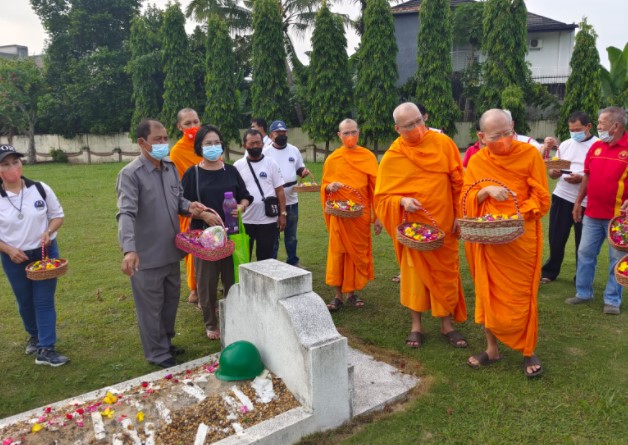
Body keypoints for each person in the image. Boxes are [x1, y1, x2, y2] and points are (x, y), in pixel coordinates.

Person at [463, 109, 550, 378]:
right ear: (481, 136)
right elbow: (465, 199)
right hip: (489, 239)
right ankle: (491, 349)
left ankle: (527, 350)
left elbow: (542, 197)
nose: (504, 140)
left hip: (521, 236)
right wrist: (485, 191)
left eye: (508, 133)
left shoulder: (529, 154)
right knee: (488, 292)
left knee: (523, 295)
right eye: (496, 136)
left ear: (513, 127)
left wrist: (517, 213)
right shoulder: (477, 162)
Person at [374, 102, 467, 350]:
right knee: (414, 277)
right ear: (397, 128)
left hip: (443, 224)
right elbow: (381, 198)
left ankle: (446, 323)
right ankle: (416, 325)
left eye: (419, 121)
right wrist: (401, 201)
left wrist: (460, 213)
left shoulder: (443, 144)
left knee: (445, 274)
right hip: (413, 229)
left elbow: (459, 182)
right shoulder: (393, 156)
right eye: (409, 125)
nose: (417, 128)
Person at [116, 119, 207, 368]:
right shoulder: (131, 174)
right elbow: (126, 213)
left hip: (171, 250)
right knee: (150, 308)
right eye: (157, 139)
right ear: (142, 143)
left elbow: (178, 199)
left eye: (165, 138)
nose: (163, 143)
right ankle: (157, 353)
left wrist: (191, 206)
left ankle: (165, 343)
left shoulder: (169, 167)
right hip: (146, 255)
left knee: (169, 304)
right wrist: (129, 249)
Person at [181, 125, 252, 340]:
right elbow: (182, 203)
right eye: (208, 143)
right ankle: (211, 322)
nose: (213, 147)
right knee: (207, 281)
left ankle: (233, 314)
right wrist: (202, 215)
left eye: (216, 143)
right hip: (204, 237)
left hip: (231, 234)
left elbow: (246, 195)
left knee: (232, 278)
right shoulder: (192, 174)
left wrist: (241, 206)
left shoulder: (230, 170)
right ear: (199, 147)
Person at [0, 145, 69, 367]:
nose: (13, 167)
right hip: (14, 258)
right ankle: (34, 336)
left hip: (44, 254)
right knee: (25, 301)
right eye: (5, 164)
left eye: (15, 161)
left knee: (43, 300)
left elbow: (58, 216)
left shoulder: (39, 188)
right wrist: (9, 249)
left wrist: (48, 232)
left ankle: (46, 348)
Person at [566, 107, 628, 315]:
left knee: (616, 259)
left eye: (601, 123)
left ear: (616, 125)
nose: (598, 126)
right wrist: (578, 202)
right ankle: (583, 293)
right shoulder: (596, 148)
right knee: (585, 253)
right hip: (592, 213)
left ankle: (612, 300)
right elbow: (587, 177)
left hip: (620, 218)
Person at [321, 119, 383, 311]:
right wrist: (329, 187)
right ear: (339, 135)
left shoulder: (368, 157)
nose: (350, 136)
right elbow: (325, 186)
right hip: (339, 217)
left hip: (360, 216)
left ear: (359, 132)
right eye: (345, 133)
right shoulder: (333, 159)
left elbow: (376, 189)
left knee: (356, 254)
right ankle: (338, 295)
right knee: (338, 254)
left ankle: (352, 293)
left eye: (353, 132)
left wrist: (378, 217)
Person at [541, 112, 598, 284]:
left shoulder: (598, 146)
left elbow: (602, 174)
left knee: (584, 241)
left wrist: (582, 179)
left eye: (578, 129)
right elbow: (552, 172)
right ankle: (550, 271)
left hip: (586, 201)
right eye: (571, 129)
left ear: (588, 127)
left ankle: (581, 276)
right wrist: (554, 171)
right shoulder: (566, 144)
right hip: (562, 196)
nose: (574, 133)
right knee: (556, 237)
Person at [263, 120, 310, 268]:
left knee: (291, 235)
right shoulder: (266, 152)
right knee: (274, 235)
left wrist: (303, 171)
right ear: (271, 135)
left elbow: (298, 168)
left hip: (292, 198)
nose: (281, 135)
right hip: (273, 200)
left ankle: (293, 260)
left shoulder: (293, 150)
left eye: (284, 132)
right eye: (278, 133)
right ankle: (273, 263)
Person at [235, 129, 287, 261]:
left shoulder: (271, 164)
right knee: (243, 258)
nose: (255, 146)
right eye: (251, 143)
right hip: (245, 220)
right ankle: (244, 282)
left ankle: (264, 282)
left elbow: (280, 190)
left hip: (268, 221)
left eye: (258, 143)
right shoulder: (238, 166)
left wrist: (283, 214)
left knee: (265, 259)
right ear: (244, 145)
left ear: (263, 144)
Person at [169, 108, 203, 306]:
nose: (193, 127)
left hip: (211, 203)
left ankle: (208, 283)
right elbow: (176, 185)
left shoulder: (206, 144)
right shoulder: (177, 152)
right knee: (194, 248)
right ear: (179, 127)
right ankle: (195, 288)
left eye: (195, 122)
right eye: (188, 123)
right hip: (189, 207)